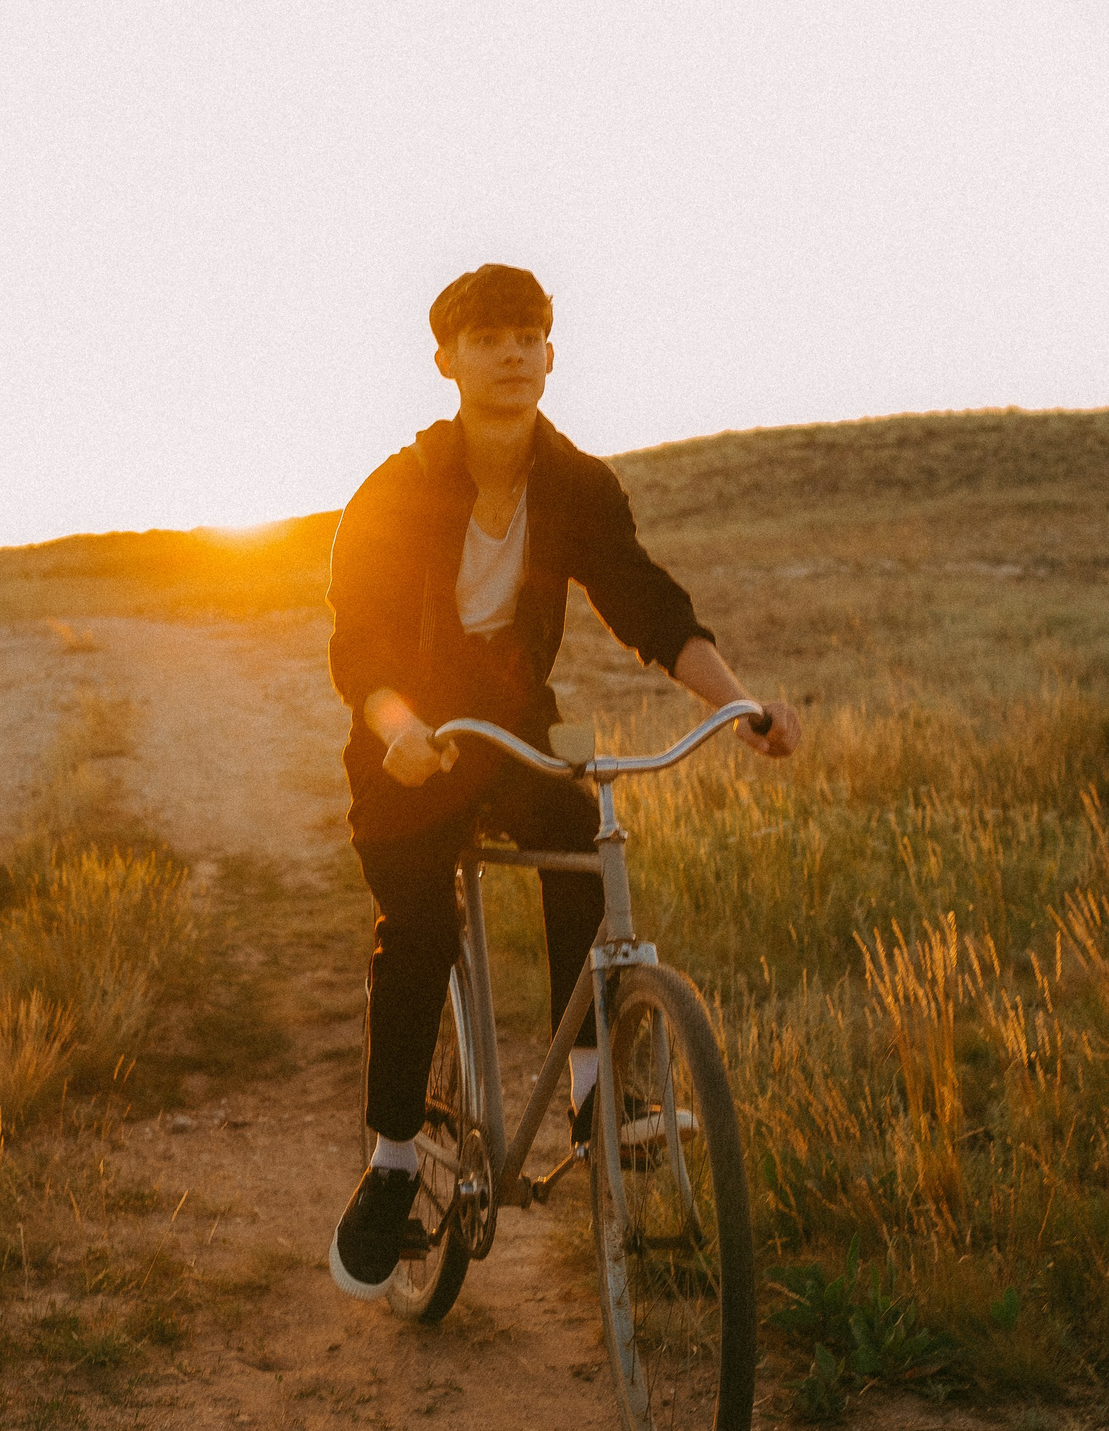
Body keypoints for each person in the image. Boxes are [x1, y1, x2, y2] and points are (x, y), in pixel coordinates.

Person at [323, 264, 800, 1298]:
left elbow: (645, 602)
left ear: (550, 353)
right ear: (446, 360)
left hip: (509, 729)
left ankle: (593, 1095)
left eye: (528, 335)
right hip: (410, 740)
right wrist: (399, 727)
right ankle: (393, 1162)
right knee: (418, 932)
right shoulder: (398, 488)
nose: (511, 354)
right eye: (488, 337)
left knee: (581, 833)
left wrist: (739, 705)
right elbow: (356, 646)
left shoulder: (577, 485)